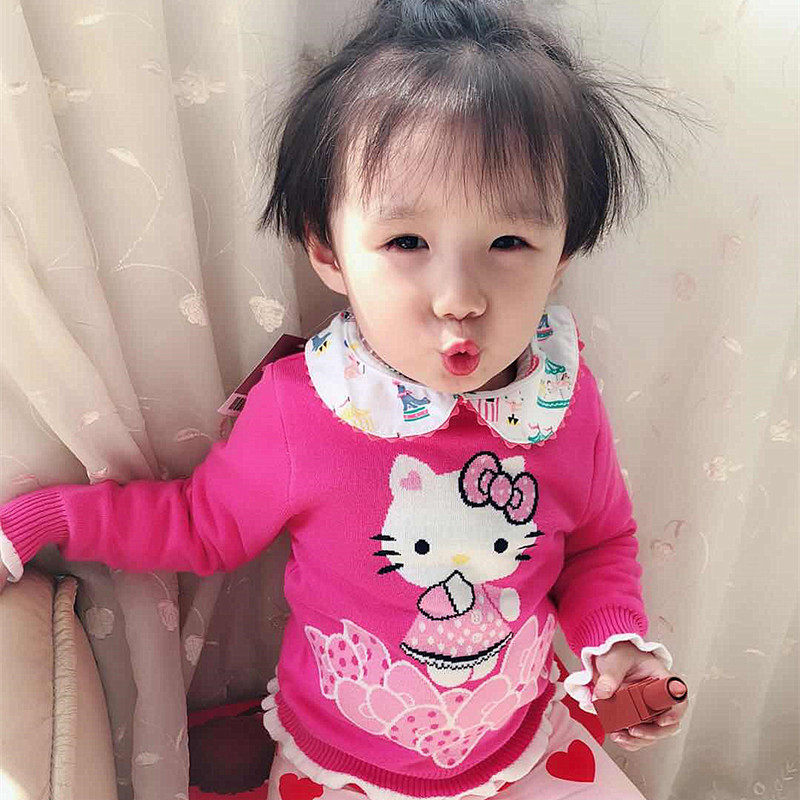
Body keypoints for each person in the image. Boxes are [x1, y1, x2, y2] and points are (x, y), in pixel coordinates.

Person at [0, 0, 697, 797]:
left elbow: (600, 544)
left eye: (510, 242)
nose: (459, 297)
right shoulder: (304, 408)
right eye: (407, 242)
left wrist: (618, 647)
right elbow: (199, 525)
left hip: (529, 745)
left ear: (562, 254)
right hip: (340, 769)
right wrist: (43, 520)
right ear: (327, 251)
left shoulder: (565, 399)